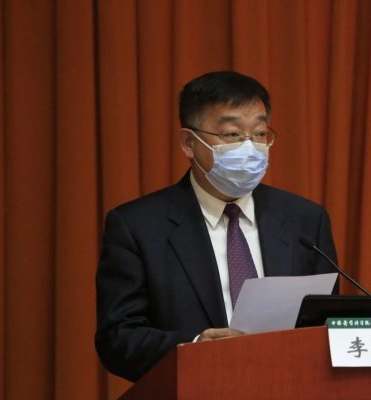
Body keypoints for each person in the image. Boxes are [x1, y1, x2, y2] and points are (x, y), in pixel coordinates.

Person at [95, 71, 338, 382]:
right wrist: (196, 347)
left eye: (259, 134)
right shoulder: (138, 226)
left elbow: (327, 323)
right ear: (189, 143)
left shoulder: (304, 220)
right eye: (232, 134)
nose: (250, 147)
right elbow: (118, 338)